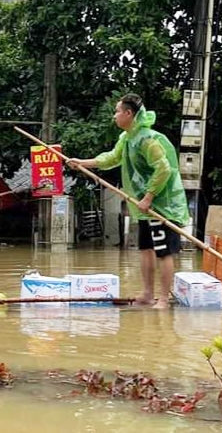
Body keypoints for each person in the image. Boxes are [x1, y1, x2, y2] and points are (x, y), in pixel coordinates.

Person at [68, 94, 190, 308]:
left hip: (160, 206)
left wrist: (149, 196)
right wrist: (83, 163)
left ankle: (163, 298)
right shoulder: (127, 138)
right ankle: (147, 294)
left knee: (163, 251)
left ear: (128, 113)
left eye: (117, 111)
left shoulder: (148, 139)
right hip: (143, 206)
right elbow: (111, 158)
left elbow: (163, 169)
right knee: (145, 249)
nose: (114, 116)